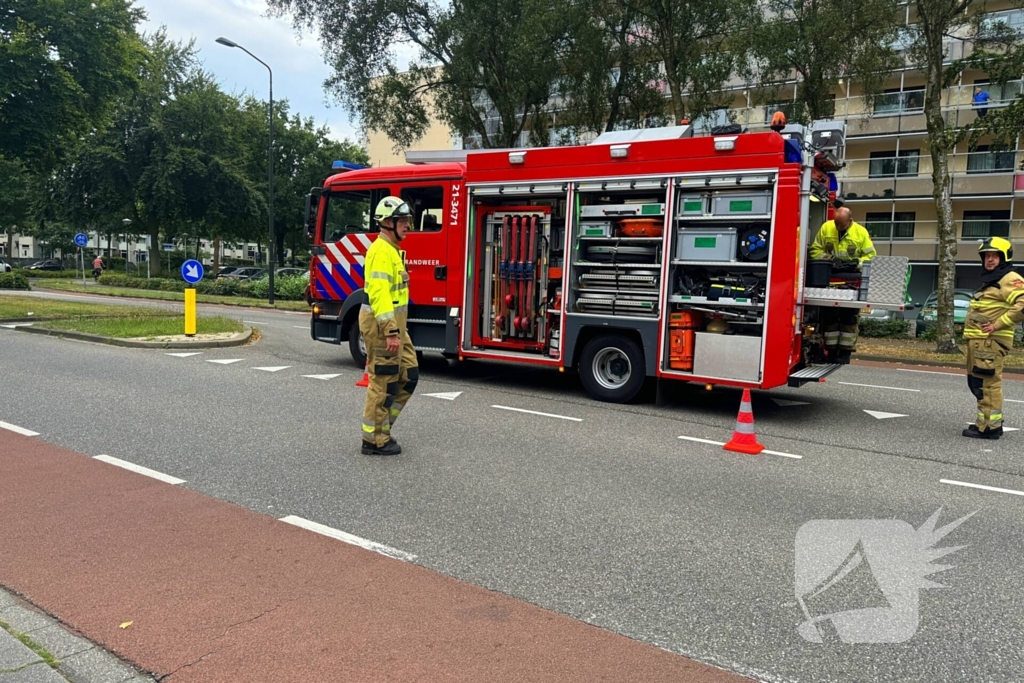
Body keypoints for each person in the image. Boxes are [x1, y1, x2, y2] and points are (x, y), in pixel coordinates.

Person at [359, 196, 419, 456]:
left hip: (396, 328)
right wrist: (391, 332)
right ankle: (373, 440)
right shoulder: (381, 252)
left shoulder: (391, 250)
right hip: (384, 328)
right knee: (383, 382)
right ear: (387, 222)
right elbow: (381, 295)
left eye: (407, 220)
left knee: (409, 376)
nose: (407, 225)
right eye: (402, 220)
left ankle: (383, 428)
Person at [962, 237, 1024, 440]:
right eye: (987, 256)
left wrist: (997, 325)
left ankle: (989, 427)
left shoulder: (1009, 278)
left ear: (1004, 258)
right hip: (982, 342)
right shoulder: (994, 281)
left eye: (995, 256)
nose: (990, 260)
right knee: (979, 383)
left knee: (987, 384)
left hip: (989, 342)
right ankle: (987, 423)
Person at [809, 207, 877, 364]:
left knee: (849, 318)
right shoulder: (827, 227)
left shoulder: (860, 232)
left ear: (850, 221)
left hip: (851, 281)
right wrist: (830, 259)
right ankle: (831, 351)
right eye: (837, 224)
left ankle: (845, 353)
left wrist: (855, 263)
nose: (838, 228)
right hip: (830, 278)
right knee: (830, 317)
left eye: (842, 225)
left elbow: (871, 256)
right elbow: (815, 250)